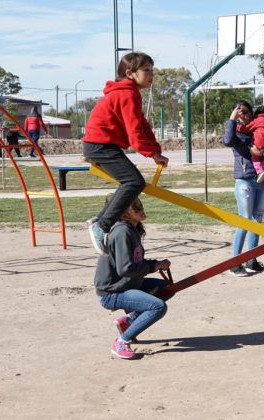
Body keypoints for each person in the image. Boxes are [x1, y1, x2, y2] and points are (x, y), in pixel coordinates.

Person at [83, 51, 169, 256]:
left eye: (152, 70)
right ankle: (101, 224)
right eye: (146, 70)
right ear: (130, 73)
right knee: (133, 182)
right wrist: (152, 154)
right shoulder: (127, 93)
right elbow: (134, 132)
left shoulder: (130, 93)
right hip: (100, 145)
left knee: (130, 182)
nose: (151, 74)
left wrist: (155, 149)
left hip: (103, 145)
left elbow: (143, 124)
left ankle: (100, 220)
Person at [94, 195, 171, 359]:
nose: (140, 209)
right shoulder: (122, 232)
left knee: (167, 288)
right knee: (158, 307)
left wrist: (156, 263)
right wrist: (153, 267)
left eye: (139, 203)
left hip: (128, 285)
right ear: (122, 213)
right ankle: (121, 342)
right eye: (133, 206)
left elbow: (135, 261)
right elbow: (126, 269)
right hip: (113, 292)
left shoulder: (132, 229)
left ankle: (129, 321)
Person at [222, 100, 264, 276]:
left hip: (263, 181)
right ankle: (235, 263)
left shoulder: (258, 129)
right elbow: (227, 141)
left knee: (257, 220)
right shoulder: (234, 131)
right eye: (239, 111)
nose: (244, 114)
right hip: (245, 181)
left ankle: (252, 261)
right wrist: (231, 120)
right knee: (245, 220)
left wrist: (263, 153)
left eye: (247, 111)